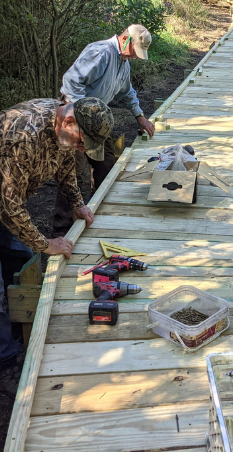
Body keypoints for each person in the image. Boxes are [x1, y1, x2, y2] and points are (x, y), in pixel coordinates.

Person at [0, 96, 113, 369]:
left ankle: (18, 325)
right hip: (5, 203)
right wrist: (45, 243)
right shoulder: (24, 137)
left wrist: (77, 203)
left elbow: (64, 165)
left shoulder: (63, 125)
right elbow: (8, 206)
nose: (81, 148)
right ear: (69, 122)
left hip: (7, 204)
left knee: (21, 258)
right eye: (81, 142)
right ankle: (5, 356)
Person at [53, 24, 155, 236]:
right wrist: (83, 114)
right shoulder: (100, 52)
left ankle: (100, 210)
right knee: (73, 173)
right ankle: (63, 230)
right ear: (126, 40)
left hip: (95, 121)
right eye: (134, 51)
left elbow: (127, 93)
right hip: (74, 117)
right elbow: (71, 81)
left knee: (107, 162)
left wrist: (140, 117)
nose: (135, 57)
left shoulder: (123, 63)